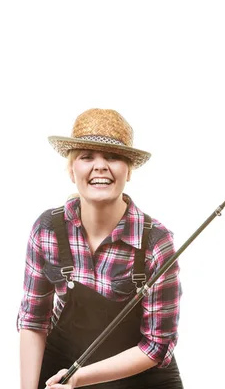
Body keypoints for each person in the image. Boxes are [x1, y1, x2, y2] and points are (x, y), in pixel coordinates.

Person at [17, 108, 184, 389]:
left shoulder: (156, 242)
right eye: (87, 157)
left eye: (113, 157)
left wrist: (80, 379)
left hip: (142, 378)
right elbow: (34, 320)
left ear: (128, 170)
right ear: (72, 170)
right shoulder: (46, 230)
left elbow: (157, 346)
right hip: (62, 371)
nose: (100, 166)